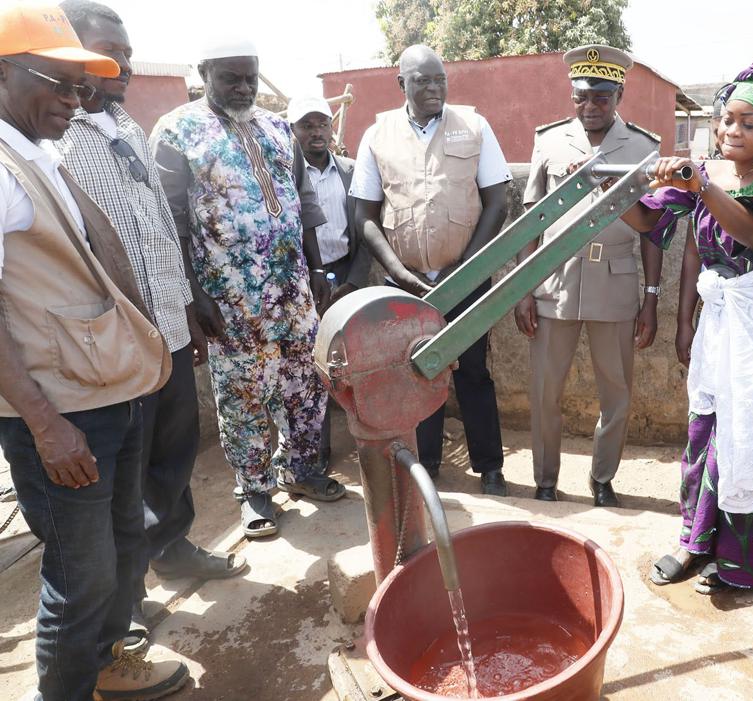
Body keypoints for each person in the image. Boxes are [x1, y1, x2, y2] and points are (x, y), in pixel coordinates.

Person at [0, 5, 188, 699]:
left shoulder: (37, 148)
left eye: (83, 88)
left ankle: (109, 663)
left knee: (121, 551)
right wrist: (47, 426)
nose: (75, 101)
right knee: (79, 580)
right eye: (60, 82)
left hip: (110, 392)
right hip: (63, 412)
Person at [55, 0, 247, 644]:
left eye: (130, 55)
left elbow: (160, 227)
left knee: (172, 454)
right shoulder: (56, 140)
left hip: (167, 327)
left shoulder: (123, 125)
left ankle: (175, 547)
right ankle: (127, 599)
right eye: (112, 55)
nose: (126, 68)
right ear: (71, 55)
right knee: (124, 480)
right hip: (114, 345)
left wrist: (187, 305)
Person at [631, 59, 753, 592]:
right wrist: (615, 186)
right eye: (725, 120)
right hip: (721, 314)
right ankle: (694, 540)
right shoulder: (707, 170)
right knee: (704, 430)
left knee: (747, 436)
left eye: (748, 123)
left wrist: (702, 188)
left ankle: (739, 562)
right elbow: (649, 220)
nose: (731, 131)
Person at [150, 38, 346, 540]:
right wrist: (194, 296)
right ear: (205, 71)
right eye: (230, 78)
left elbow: (303, 205)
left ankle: (301, 471)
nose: (242, 88)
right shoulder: (176, 131)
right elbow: (170, 222)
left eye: (250, 78)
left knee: (306, 382)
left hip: (293, 290)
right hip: (230, 298)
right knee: (244, 394)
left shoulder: (279, 127)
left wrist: (317, 271)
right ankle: (255, 490)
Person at [352, 44, 511, 496]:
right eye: (422, 80)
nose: (434, 88)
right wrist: (397, 271)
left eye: (440, 79)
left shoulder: (474, 126)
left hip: (467, 277)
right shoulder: (377, 135)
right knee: (417, 373)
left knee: (474, 372)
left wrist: (468, 266)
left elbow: (497, 201)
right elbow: (364, 213)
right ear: (401, 83)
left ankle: (490, 468)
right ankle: (428, 467)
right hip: (405, 284)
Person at [515, 44, 662, 507]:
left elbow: (654, 231)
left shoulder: (643, 147)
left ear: (619, 94)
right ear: (572, 94)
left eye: (601, 97)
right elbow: (531, 219)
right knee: (545, 391)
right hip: (554, 280)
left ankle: (602, 479)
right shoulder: (550, 140)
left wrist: (651, 298)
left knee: (615, 392)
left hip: (615, 281)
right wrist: (522, 287)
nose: (590, 107)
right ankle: (544, 479)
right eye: (581, 97)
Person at [288, 94, 369, 468]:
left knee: (356, 360)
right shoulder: (282, 174)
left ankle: (369, 437)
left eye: (323, 123)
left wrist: (352, 283)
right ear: (292, 131)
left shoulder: (352, 172)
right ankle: (316, 451)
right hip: (303, 281)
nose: (317, 132)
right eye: (307, 125)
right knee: (309, 367)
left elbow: (369, 230)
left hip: (346, 277)